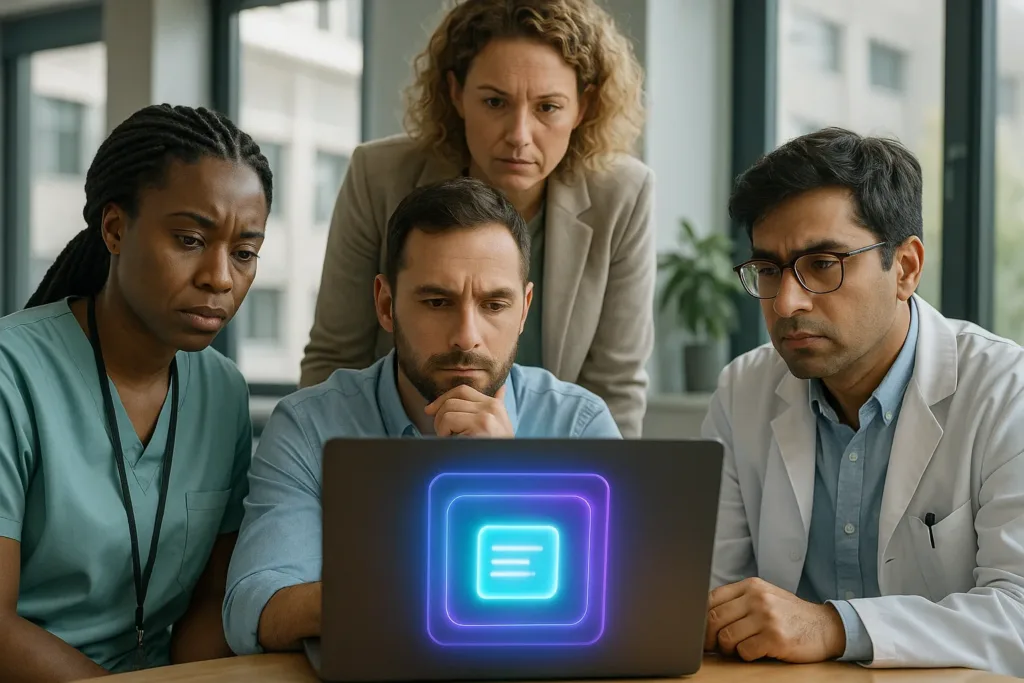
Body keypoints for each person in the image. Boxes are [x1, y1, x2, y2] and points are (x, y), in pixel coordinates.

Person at [223, 177, 620, 655]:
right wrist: (425, 596)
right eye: (437, 302)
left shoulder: (579, 424)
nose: (466, 336)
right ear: (386, 305)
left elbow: (621, 604)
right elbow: (258, 607)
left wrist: (510, 477)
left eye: (495, 304)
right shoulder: (309, 426)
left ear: (524, 309)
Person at [700, 127, 1024, 676]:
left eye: (823, 264)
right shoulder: (743, 391)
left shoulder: (1005, 392)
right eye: (769, 270)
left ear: (905, 268)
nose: (786, 301)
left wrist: (832, 626)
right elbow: (709, 597)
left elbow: (1017, 616)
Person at [0, 104, 272, 679]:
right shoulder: (11, 373)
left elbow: (211, 596)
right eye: (190, 239)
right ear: (115, 228)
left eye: (244, 253)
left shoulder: (222, 394)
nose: (220, 277)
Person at [300, 0, 654, 437]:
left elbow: (614, 388)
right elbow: (335, 357)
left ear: (583, 107)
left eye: (548, 108)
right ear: (456, 94)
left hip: (546, 467)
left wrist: (596, 496)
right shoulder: (380, 176)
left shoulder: (622, 195)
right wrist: (340, 479)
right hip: (393, 446)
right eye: (494, 101)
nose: (519, 136)